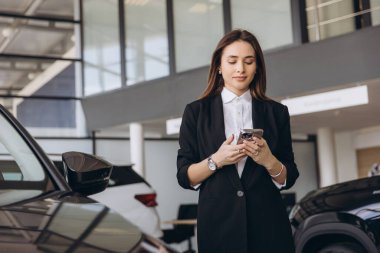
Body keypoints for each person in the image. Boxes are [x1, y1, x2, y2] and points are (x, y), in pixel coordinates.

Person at [177, 29, 299, 253]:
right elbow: (185, 176)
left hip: (269, 229)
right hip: (218, 229)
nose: (241, 69)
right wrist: (217, 160)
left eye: (249, 61)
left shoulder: (277, 112)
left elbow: (289, 176)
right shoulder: (196, 112)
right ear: (219, 67)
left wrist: (268, 160)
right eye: (232, 61)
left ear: (257, 67)